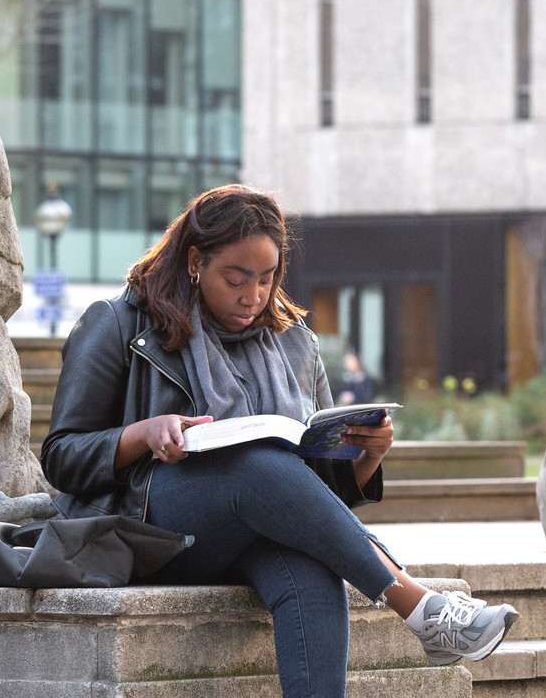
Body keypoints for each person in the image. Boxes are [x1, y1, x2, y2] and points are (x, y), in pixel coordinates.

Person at [39, 185, 517, 697]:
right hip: (149, 529)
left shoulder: (294, 342)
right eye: (236, 279)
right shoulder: (119, 324)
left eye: (267, 280)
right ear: (196, 262)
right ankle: (420, 606)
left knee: (313, 569)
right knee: (252, 463)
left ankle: (426, 617)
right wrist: (141, 434)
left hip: (255, 523)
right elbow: (61, 456)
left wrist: (367, 456)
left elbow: (313, 489)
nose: (254, 296)